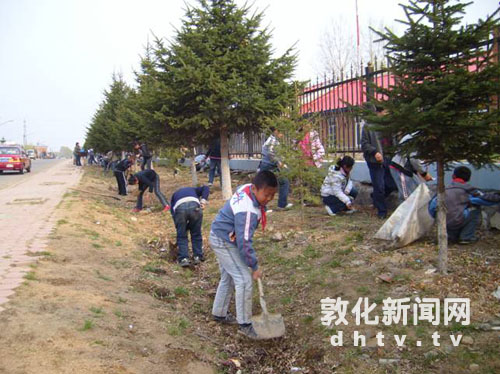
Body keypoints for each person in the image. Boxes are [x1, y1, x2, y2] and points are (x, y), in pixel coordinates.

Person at [210, 170, 278, 340]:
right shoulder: (247, 211)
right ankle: (245, 324)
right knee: (244, 279)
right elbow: (244, 241)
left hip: (222, 235)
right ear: (254, 189)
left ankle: (219, 313)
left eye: (272, 195)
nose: (269, 199)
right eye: (266, 195)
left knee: (229, 277)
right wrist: (253, 266)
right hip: (224, 241)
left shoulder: (247, 188)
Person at [429, 166, 500, 244]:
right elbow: (484, 199)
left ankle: (449, 236)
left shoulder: (443, 189)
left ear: (453, 176)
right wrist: (497, 198)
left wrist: (438, 218)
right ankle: (466, 237)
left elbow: (432, 207)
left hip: (443, 222)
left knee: (453, 213)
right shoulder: (468, 190)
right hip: (457, 220)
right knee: (475, 208)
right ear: (468, 178)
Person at [361, 107, 397, 218]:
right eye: (385, 112)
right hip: (374, 161)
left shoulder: (388, 126)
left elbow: (393, 142)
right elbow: (364, 144)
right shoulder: (368, 126)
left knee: (391, 185)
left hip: (388, 159)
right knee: (379, 186)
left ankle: (375, 197)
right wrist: (375, 152)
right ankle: (382, 212)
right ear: (378, 112)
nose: (387, 115)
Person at [170, 185, 210, 267]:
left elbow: (173, 212)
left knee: (182, 236)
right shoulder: (194, 190)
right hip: (195, 207)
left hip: (180, 208)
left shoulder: (174, 195)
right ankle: (197, 256)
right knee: (196, 233)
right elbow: (206, 188)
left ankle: (184, 258)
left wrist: (180, 228)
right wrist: (203, 201)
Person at [389, 134, 433, 201]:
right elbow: (414, 159)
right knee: (406, 197)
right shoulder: (413, 139)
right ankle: (405, 211)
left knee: (417, 190)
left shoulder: (413, 136)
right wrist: (423, 173)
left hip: (406, 169)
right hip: (400, 169)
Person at [259, 127, 292, 210]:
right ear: (276, 131)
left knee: (284, 182)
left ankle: (282, 205)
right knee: (265, 185)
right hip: (268, 165)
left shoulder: (274, 140)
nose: (282, 135)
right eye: (281, 133)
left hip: (272, 165)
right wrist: (279, 162)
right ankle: (263, 208)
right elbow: (270, 153)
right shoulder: (272, 140)